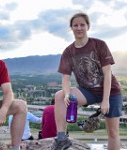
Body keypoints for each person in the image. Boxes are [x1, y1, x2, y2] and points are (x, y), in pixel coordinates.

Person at [52, 12, 123, 150]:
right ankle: (61, 138)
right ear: (71, 28)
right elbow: (66, 78)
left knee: (113, 132)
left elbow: (107, 73)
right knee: (59, 96)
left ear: (88, 27)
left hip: (111, 91)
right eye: (75, 25)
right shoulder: (68, 52)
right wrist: (67, 94)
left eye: (82, 25)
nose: (79, 28)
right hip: (88, 90)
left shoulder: (99, 45)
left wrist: (106, 100)